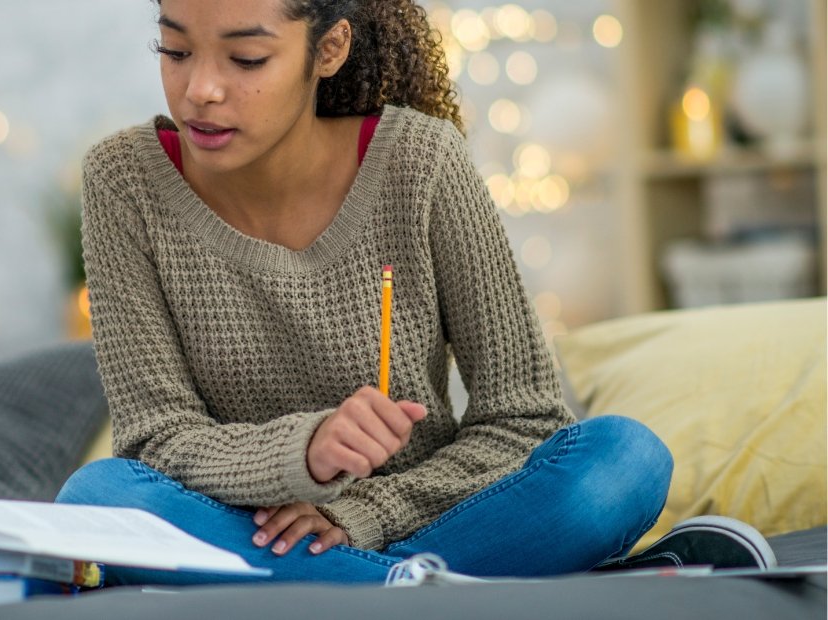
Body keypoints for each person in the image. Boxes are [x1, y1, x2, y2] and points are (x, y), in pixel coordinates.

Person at [55, 0, 774, 585]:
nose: (200, 90)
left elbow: (521, 418)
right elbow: (156, 439)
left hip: (425, 518)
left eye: (246, 58)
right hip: (241, 526)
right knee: (98, 497)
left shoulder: (421, 162)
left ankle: (358, 586)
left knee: (625, 460)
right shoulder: (125, 181)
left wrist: (361, 513)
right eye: (174, 51)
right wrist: (304, 452)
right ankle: (412, 592)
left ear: (328, 49)